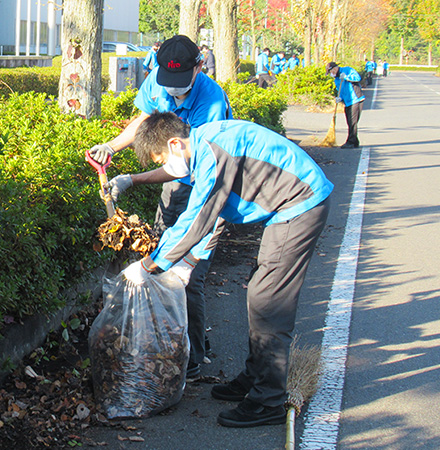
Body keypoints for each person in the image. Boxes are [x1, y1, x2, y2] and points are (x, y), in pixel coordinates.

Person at [118, 112, 333, 428]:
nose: (167, 167)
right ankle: (255, 376)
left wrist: (149, 265)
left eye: (163, 158)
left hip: (299, 206)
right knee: (259, 292)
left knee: (268, 303)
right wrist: (188, 262)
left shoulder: (215, 152)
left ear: (175, 143)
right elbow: (211, 214)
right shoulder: (205, 144)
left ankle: (268, 400)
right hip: (285, 209)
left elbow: (199, 216)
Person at [88, 34, 232, 379]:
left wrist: (133, 179)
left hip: (207, 183)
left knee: (187, 275)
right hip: (175, 182)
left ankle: (193, 355)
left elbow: (184, 165)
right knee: (162, 257)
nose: (172, 90)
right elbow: (144, 120)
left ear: (199, 66)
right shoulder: (159, 80)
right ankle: (170, 338)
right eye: (167, 83)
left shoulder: (210, 102)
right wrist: (112, 147)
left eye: (180, 83)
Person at [326, 61, 365, 148]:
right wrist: (339, 98)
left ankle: (350, 142)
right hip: (347, 102)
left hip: (356, 99)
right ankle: (355, 142)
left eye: (331, 71)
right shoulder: (337, 79)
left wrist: (347, 77)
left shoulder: (347, 70)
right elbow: (340, 91)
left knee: (352, 122)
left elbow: (357, 78)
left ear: (335, 68)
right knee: (349, 122)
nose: (331, 74)